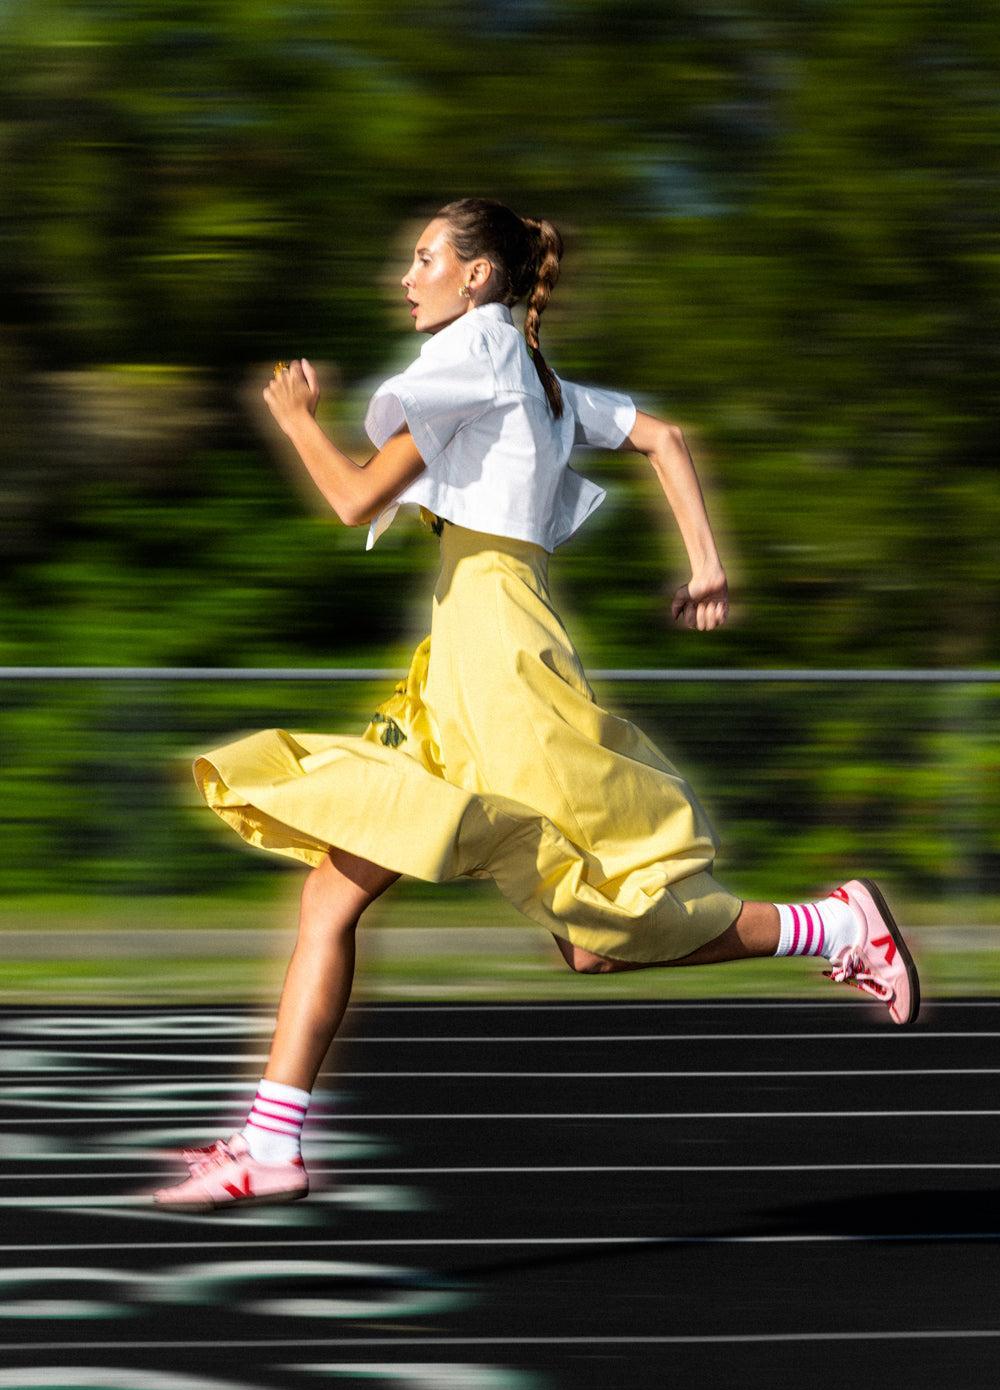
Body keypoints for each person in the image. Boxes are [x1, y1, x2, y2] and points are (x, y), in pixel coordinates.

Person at [154, 196, 919, 1212]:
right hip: (469, 654)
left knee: (596, 932)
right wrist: (705, 564)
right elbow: (663, 436)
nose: (405, 277)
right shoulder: (536, 377)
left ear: (478, 276)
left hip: (500, 663)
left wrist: (295, 418)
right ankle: (271, 1142)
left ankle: (831, 925)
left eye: (424, 257)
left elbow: (352, 497)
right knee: (375, 903)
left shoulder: (478, 354)